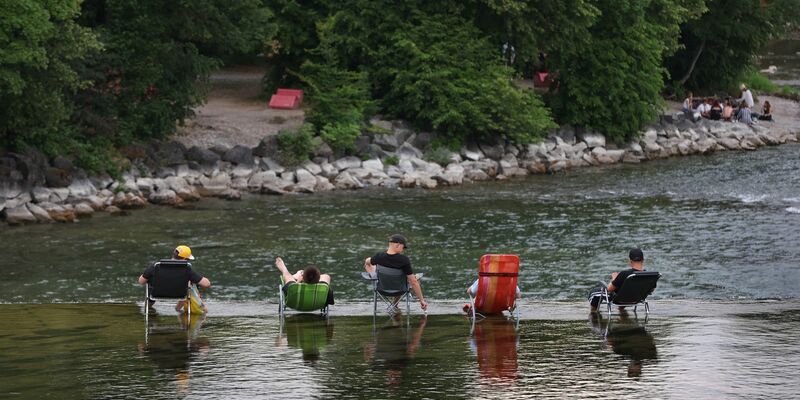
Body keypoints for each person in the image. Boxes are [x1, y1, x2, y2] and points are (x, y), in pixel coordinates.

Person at [364, 234, 427, 311]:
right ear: (398, 245)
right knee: (414, 279)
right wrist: (421, 300)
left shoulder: (379, 256)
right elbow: (413, 282)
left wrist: (373, 273)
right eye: (403, 247)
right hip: (400, 289)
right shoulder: (404, 260)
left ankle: (376, 279)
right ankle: (395, 304)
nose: (403, 249)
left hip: (381, 288)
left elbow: (367, 262)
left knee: (369, 265)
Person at [139, 245, 211, 313]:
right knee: (191, 284)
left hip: (156, 294)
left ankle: (148, 307)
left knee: (150, 282)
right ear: (185, 259)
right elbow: (206, 284)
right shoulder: (187, 269)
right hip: (180, 295)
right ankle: (178, 309)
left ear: (173, 254)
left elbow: (141, 281)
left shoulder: (156, 266)